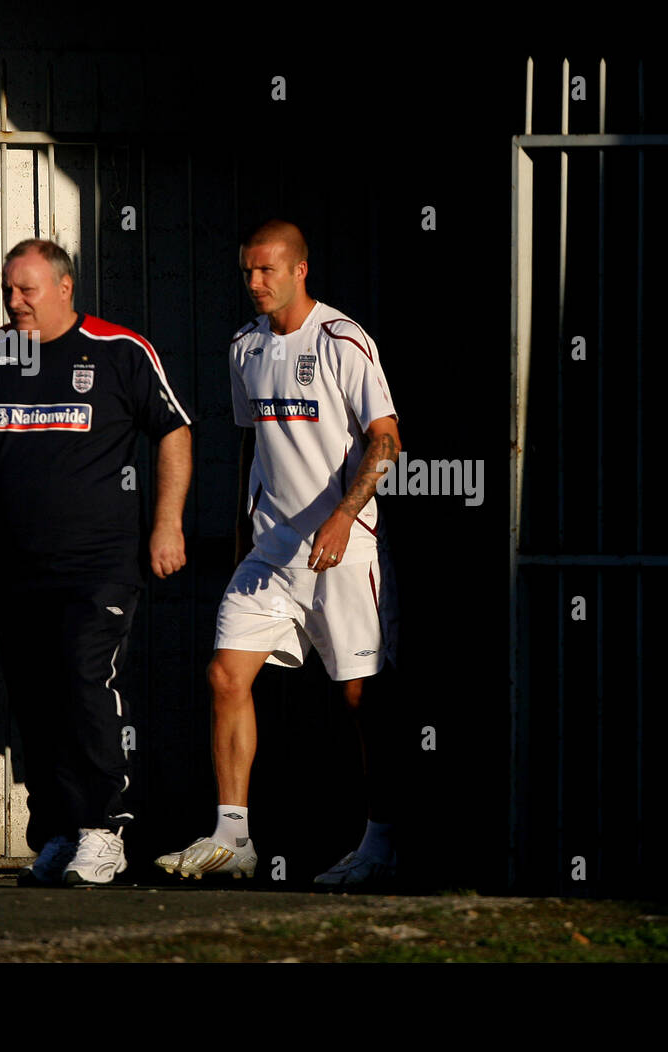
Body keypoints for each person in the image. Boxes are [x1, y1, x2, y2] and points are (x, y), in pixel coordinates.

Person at [0, 238, 192, 886]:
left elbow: (174, 430)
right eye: (7, 291)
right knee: (37, 701)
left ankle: (104, 830)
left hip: (100, 567)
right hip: (22, 571)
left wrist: (167, 523)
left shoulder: (119, 353)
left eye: (27, 290)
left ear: (64, 288)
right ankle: (56, 831)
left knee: (83, 681)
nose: (15, 302)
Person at [155, 219, 402, 889]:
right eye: (247, 272)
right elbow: (251, 444)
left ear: (301, 270)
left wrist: (345, 516)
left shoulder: (343, 341)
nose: (254, 283)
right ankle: (233, 838)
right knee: (224, 676)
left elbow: (387, 438)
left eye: (266, 270)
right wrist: (245, 542)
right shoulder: (243, 345)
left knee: (359, 697)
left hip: (344, 551)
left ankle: (382, 843)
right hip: (272, 552)